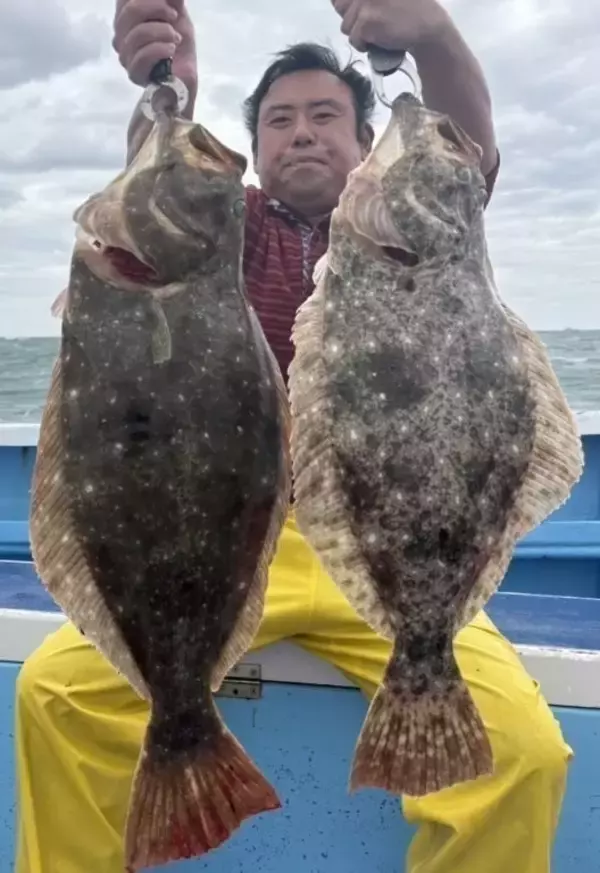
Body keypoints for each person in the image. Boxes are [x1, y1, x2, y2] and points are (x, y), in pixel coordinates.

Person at [14, 1, 571, 872]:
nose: (302, 133)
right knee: (53, 692)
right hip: (230, 546)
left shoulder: (427, 218)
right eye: (279, 120)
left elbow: (464, 137)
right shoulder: (225, 225)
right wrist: (170, 94)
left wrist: (429, 35)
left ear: (362, 139)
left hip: (380, 535)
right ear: (257, 145)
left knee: (524, 756)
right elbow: (151, 206)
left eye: (325, 116)